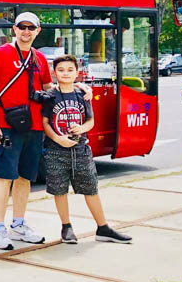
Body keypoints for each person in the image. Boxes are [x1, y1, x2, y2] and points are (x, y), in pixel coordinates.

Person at [0, 13, 93, 250]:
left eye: (31, 27)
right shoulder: (0, 54)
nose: (26, 31)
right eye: (22, 27)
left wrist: (79, 86)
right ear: (14, 29)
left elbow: (50, 88)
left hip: (33, 127)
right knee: (3, 176)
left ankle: (18, 224)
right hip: (7, 126)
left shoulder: (39, 58)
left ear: (38, 31)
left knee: (24, 177)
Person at [41, 54, 132, 243]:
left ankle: (103, 227)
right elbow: (45, 123)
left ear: (77, 72)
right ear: (54, 73)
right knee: (60, 190)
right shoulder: (49, 96)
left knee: (91, 188)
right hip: (56, 151)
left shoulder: (83, 94)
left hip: (81, 150)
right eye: (61, 70)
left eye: (70, 70)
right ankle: (66, 227)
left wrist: (81, 128)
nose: (65, 73)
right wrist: (58, 138)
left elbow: (90, 121)